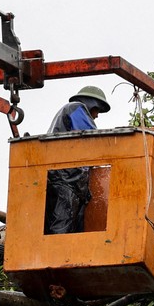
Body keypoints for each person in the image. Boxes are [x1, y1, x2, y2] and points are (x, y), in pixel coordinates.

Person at [45, 86, 110, 234]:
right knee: (62, 227)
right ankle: (57, 256)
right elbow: (93, 139)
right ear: (92, 103)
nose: (97, 116)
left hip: (70, 183)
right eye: (97, 111)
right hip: (65, 181)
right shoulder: (76, 108)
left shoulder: (70, 112)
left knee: (72, 230)